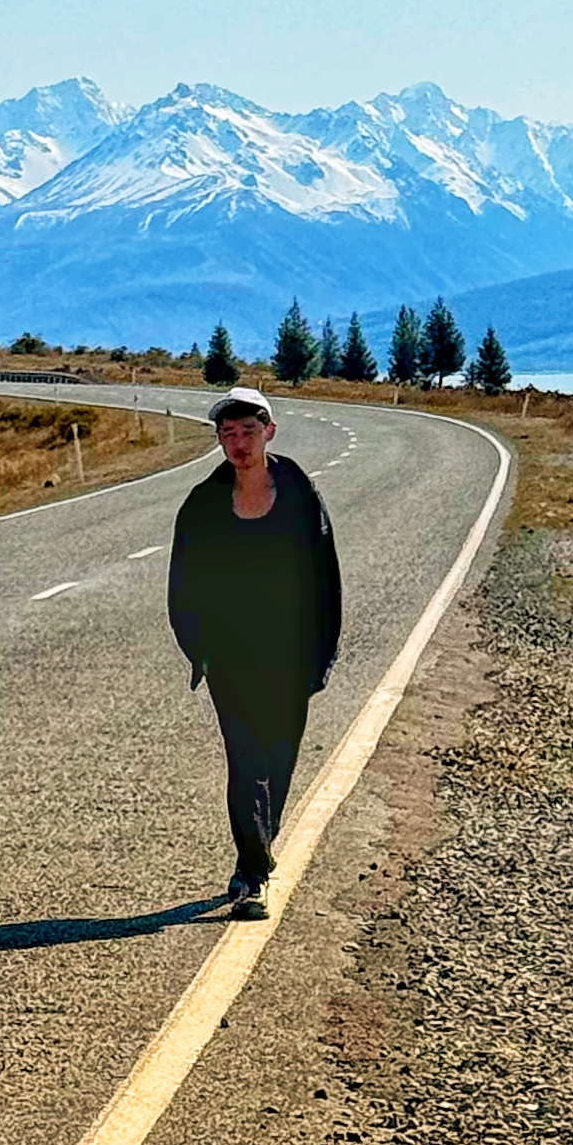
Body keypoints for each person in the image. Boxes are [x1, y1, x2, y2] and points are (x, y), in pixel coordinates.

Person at [167, 387, 343, 919]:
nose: (238, 443)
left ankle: (259, 852)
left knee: (278, 758)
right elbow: (183, 583)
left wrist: (323, 654)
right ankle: (251, 872)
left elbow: (325, 578)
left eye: (247, 431)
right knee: (246, 760)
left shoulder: (299, 494)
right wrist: (199, 650)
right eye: (227, 434)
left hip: (290, 652)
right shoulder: (202, 503)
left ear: (269, 431)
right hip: (230, 656)